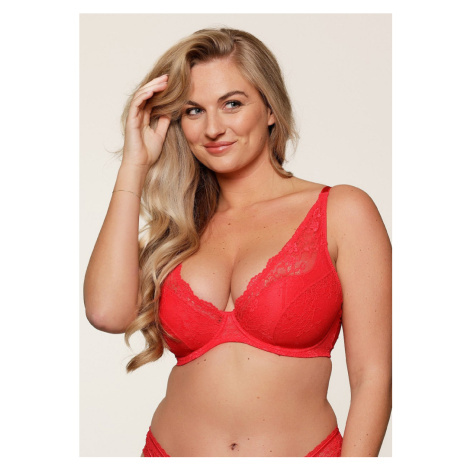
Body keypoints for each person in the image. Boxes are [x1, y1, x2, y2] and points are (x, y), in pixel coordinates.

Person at [83, 27, 392, 457]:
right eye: (194, 111)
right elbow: (105, 313)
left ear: (270, 108)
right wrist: (133, 166)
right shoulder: (180, 229)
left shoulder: (342, 211)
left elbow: (373, 377)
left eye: (232, 104)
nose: (213, 128)